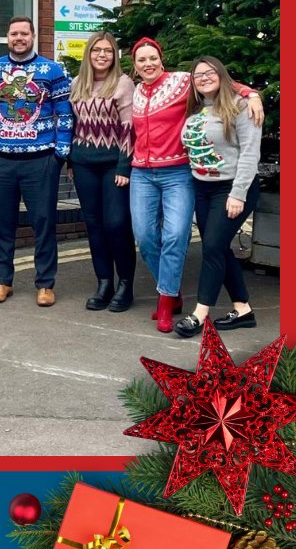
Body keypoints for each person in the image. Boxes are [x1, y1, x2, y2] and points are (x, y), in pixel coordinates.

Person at [128, 38, 262, 332]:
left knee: (193, 240)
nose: (148, 64)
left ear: (162, 60)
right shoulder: (139, 92)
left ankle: (190, 311)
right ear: (135, 67)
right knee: (147, 237)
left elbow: (219, 80)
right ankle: (242, 309)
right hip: (170, 178)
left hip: (191, 178)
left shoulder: (183, 83)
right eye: (141, 60)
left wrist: (251, 93)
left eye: (153, 58)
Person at [0, 16, 73, 306]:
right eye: (14, 33)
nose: (19, 38)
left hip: (41, 161)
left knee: (43, 223)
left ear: (33, 36)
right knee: (1, 223)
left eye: (24, 33)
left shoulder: (51, 70)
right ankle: (2, 281)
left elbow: (65, 114)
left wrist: (61, 154)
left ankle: (45, 284)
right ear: (7, 36)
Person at [174, 57, 263, 337]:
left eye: (210, 72)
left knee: (211, 247)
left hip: (233, 189)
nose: (203, 78)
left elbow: (250, 153)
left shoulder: (240, 106)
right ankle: (243, 310)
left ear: (221, 75)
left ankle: (200, 314)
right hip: (203, 189)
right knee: (220, 247)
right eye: (197, 75)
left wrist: (238, 193)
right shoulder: (196, 109)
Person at [67, 31, 136, 312]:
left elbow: (129, 127)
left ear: (115, 55)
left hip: (113, 166)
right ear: (88, 54)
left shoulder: (122, 83)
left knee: (116, 224)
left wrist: (124, 165)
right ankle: (104, 282)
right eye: (97, 50)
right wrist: (71, 161)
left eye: (108, 50)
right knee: (94, 225)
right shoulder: (77, 84)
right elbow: (73, 125)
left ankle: (126, 284)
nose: (102, 55)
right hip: (84, 164)